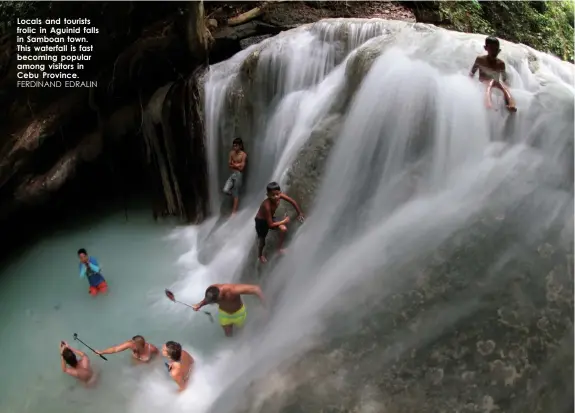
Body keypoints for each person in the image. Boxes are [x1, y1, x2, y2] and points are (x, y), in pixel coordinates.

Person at [254, 181, 304, 263]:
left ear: (280, 192)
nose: (276, 197)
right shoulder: (266, 205)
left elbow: (292, 201)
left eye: (277, 194)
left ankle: (279, 249)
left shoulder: (280, 196)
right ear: (268, 195)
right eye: (272, 195)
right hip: (261, 222)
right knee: (262, 241)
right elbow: (270, 224)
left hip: (270, 218)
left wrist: (300, 213)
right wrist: (284, 221)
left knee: (283, 229)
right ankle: (260, 255)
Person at [192, 284, 265, 337]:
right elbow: (207, 300)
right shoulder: (211, 290)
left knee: (241, 331)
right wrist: (199, 305)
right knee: (228, 333)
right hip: (224, 314)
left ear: (220, 295)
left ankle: (242, 343)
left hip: (238, 313)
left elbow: (256, 289)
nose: (214, 303)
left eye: (216, 301)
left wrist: (265, 305)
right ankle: (232, 344)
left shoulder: (233, 290)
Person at [469, 36, 517, 113]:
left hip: (496, 82)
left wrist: (507, 85)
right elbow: (472, 73)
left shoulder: (501, 63)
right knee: (490, 82)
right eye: (491, 48)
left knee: (504, 87)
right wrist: (469, 84)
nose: (494, 51)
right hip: (483, 82)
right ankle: (488, 103)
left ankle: (511, 104)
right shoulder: (480, 60)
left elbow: (504, 79)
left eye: (496, 49)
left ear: (499, 50)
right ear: (485, 48)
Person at [223, 138, 247, 216]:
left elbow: (242, 168)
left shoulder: (243, 155)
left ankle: (234, 212)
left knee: (236, 193)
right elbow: (229, 165)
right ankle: (234, 197)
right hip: (233, 174)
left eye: (236, 146)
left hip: (239, 175)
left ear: (240, 146)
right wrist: (237, 165)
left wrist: (235, 165)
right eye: (233, 146)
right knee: (225, 190)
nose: (234, 147)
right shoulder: (231, 153)